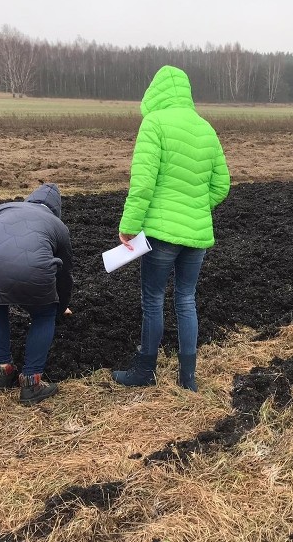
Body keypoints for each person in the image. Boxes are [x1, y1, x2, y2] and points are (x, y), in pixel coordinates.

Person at [113, 65, 231, 391]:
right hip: (196, 236)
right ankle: (188, 379)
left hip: (160, 234)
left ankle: (144, 372)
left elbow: (143, 184)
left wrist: (129, 226)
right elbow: (222, 185)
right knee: (186, 299)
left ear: (155, 92)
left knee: (153, 298)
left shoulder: (154, 123)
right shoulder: (206, 128)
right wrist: (194, 206)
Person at [0, 183, 73, 405]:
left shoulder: (3, 208)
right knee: (44, 315)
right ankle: (31, 383)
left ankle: (1, 369)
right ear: (56, 209)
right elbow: (65, 274)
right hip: (31, 271)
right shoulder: (58, 225)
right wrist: (60, 307)